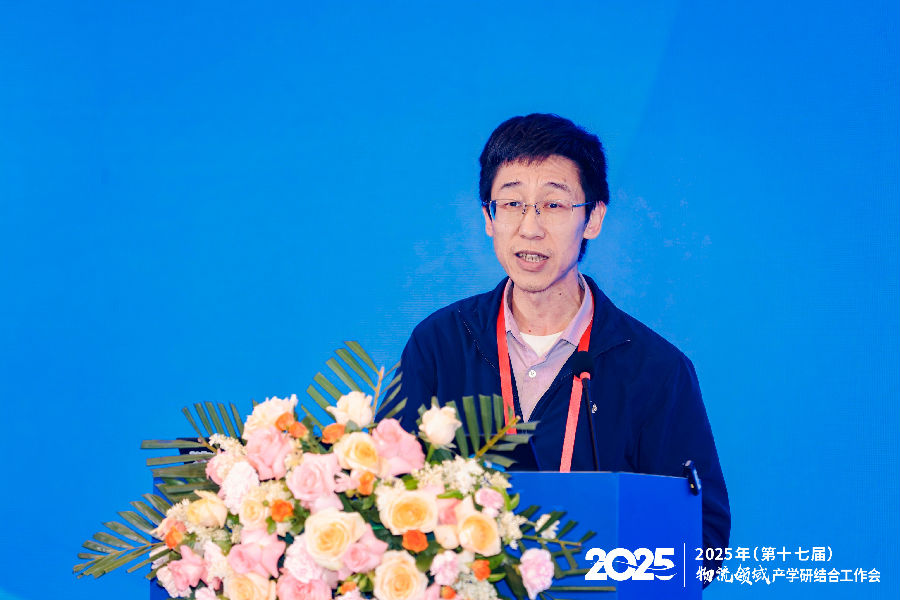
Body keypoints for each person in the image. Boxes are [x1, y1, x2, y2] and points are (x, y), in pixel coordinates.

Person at [378, 113, 730, 581]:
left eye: (553, 204)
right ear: (488, 217)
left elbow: (703, 535)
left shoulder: (656, 369)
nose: (530, 227)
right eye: (512, 203)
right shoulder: (440, 343)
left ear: (593, 218)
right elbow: (381, 493)